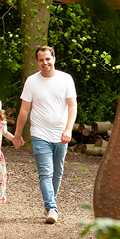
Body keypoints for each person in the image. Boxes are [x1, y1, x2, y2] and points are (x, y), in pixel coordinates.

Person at [12, 46, 77, 224]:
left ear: (54, 58)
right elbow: (24, 110)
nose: (45, 63)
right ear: (37, 61)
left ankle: (50, 202)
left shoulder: (66, 79)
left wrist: (68, 130)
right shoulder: (32, 81)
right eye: (41, 60)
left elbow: (72, 107)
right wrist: (17, 134)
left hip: (61, 134)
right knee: (46, 173)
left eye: (47, 59)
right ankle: (52, 208)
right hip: (39, 133)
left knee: (58, 173)